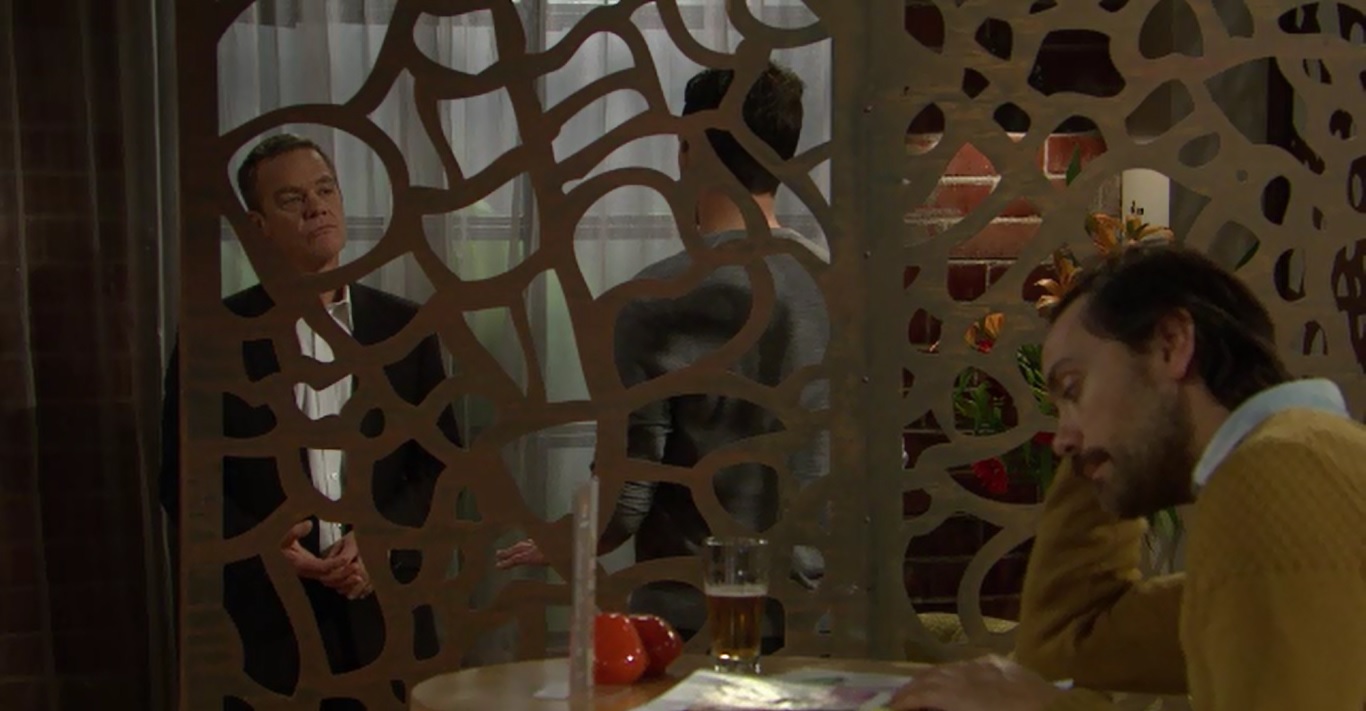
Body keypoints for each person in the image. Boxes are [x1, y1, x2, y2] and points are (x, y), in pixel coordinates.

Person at [887, 243, 1366, 710]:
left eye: (1073, 387)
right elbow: (1069, 639)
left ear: (1170, 343)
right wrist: (1097, 443)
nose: (1061, 439)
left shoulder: (1275, 473)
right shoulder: (1303, 467)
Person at [495, 61, 830, 647]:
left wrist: (569, 536)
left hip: (695, 619)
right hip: (821, 618)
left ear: (689, 150)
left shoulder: (659, 299)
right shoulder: (841, 287)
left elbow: (628, 493)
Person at [160, 134, 460, 707]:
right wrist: (263, 546)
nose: (316, 207)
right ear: (258, 226)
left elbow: (442, 466)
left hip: (387, 622)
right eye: (292, 198)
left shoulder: (403, 329)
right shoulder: (215, 338)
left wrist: (379, 539)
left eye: (325, 190)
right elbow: (181, 480)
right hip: (266, 634)